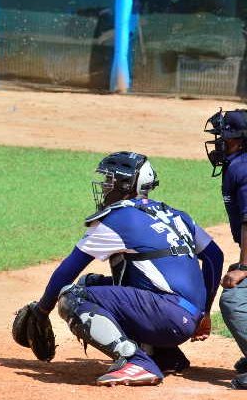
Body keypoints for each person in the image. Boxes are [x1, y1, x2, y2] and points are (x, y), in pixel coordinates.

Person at [23, 151, 222, 386]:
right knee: (91, 283)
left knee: (72, 297)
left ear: (126, 185)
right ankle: (164, 355)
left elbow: (69, 269)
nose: (105, 186)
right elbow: (214, 257)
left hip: (169, 317)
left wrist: (42, 310)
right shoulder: (176, 215)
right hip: (185, 316)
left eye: (109, 181)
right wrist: (204, 313)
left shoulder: (119, 218)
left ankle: (135, 361)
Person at [204, 109, 247, 389]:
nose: (219, 141)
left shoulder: (243, 168)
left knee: (233, 301)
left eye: (224, 136)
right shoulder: (238, 164)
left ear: (239, 140)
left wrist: (244, 267)